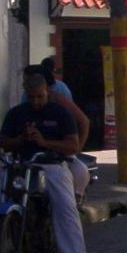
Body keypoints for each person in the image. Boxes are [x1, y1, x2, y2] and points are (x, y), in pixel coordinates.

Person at [0, 74, 88, 253]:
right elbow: (3, 142)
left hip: (51, 166)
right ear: (25, 93)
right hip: (19, 167)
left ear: (46, 93)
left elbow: (73, 146)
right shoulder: (16, 114)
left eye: (39, 97)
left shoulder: (60, 113)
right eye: (31, 97)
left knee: (65, 208)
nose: (35, 101)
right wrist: (21, 139)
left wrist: (44, 142)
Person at [24, 65, 91, 203]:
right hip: (31, 156)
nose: (35, 100)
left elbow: (84, 121)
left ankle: (76, 200)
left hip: (57, 155)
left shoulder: (58, 102)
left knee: (65, 202)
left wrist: (75, 150)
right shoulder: (23, 102)